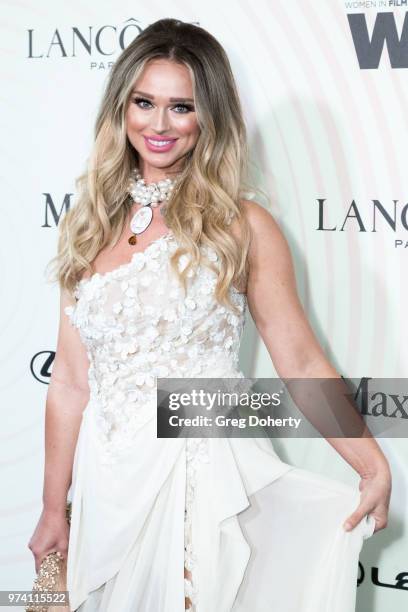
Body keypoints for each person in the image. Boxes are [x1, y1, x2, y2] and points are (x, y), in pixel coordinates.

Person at [28, 18, 391, 612]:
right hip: (105, 481)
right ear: (121, 108)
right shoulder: (88, 225)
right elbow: (68, 384)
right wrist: (52, 508)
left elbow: (298, 359)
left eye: (182, 107)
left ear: (209, 118)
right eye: (144, 102)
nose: (159, 124)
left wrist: (370, 459)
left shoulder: (242, 227)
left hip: (196, 474)